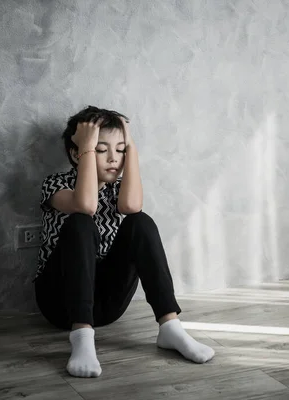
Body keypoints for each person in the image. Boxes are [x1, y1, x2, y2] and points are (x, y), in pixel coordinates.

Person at [33, 105, 215, 378]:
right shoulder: (56, 184)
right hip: (60, 303)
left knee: (141, 221)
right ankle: (81, 336)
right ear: (76, 152)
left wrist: (131, 146)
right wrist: (86, 149)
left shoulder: (120, 188)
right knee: (81, 222)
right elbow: (85, 205)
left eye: (120, 150)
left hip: (106, 306)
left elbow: (131, 206)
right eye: (101, 149)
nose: (113, 159)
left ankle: (170, 328)